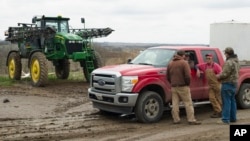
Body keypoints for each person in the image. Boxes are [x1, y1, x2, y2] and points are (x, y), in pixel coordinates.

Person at [167, 50, 201, 125]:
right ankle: (191, 119)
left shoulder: (170, 63)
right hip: (183, 86)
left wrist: (172, 82)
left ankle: (176, 119)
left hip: (174, 86)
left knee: (175, 104)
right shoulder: (184, 63)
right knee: (188, 103)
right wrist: (187, 83)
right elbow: (188, 76)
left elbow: (168, 76)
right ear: (183, 55)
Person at [216, 47, 240, 124]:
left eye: (225, 53)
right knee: (232, 101)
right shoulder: (237, 61)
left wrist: (218, 76)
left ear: (227, 54)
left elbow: (225, 73)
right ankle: (233, 118)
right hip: (234, 83)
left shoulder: (229, 62)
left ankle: (225, 119)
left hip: (227, 83)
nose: (224, 55)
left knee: (226, 101)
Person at [196, 54, 222, 118]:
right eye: (207, 58)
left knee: (219, 99)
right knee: (211, 98)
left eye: (209, 58)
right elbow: (196, 65)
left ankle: (220, 112)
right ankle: (219, 111)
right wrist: (198, 70)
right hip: (210, 85)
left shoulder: (216, 66)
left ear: (212, 59)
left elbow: (221, 73)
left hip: (217, 84)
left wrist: (218, 76)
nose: (208, 60)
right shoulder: (204, 65)